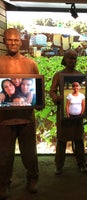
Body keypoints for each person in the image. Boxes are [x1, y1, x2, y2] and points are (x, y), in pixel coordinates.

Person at [0, 28, 40, 199]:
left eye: (16, 40)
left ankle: (32, 179)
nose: (13, 43)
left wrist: (38, 102)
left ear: (21, 41)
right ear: (4, 41)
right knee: (4, 155)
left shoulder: (30, 63)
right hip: (4, 120)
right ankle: (3, 183)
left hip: (26, 118)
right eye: (9, 40)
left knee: (29, 153)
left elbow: (38, 87)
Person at [50, 49, 87, 176]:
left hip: (77, 112)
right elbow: (52, 91)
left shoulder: (80, 75)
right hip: (64, 112)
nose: (72, 60)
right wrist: (56, 98)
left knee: (78, 139)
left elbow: (84, 93)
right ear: (64, 59)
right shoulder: (58, 75)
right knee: (61, 140)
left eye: (74, 58)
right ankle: (59, 165)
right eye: (70, 58)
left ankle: (81, 163)